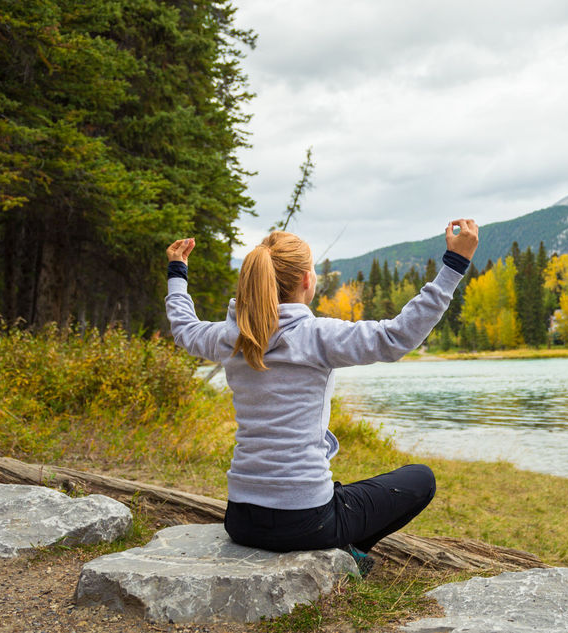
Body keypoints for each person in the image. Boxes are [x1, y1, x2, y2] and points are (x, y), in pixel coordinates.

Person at [164, 219, 479, 575]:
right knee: (421, 479)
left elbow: (184, 329)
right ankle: (345, 554)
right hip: (305, 521)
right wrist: (455, 266)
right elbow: (396, 337)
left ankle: (340, 545)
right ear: (306, 281)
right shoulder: (316, 336)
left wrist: (178, 272)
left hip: (240, 518)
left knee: (341, 491)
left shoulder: (229, 337)